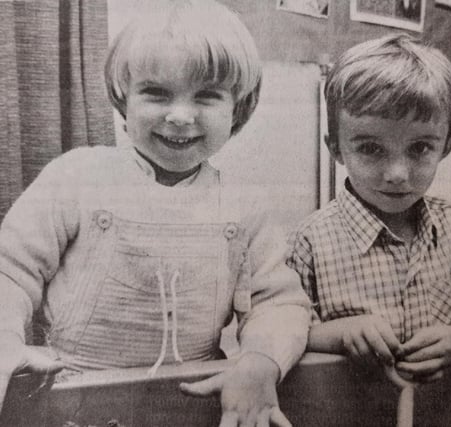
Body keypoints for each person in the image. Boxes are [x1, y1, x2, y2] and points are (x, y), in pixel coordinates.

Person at [0, 1, 310, 425]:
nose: (180, 116)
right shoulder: (76, 177)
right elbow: (10, 273)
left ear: (236, 109)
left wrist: (260, 360)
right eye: (156, 93)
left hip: (193, 404)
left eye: (206, 96)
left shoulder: (245, 206)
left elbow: (280, 303)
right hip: (72, 404)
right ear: (123, 97)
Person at [287, 34, 451, 383]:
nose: (397, 174)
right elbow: (280, 330)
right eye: (371, 148)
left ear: (446, 147)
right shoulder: (308, 241)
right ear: (336, 148)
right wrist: (341, 334)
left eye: (419, 148)